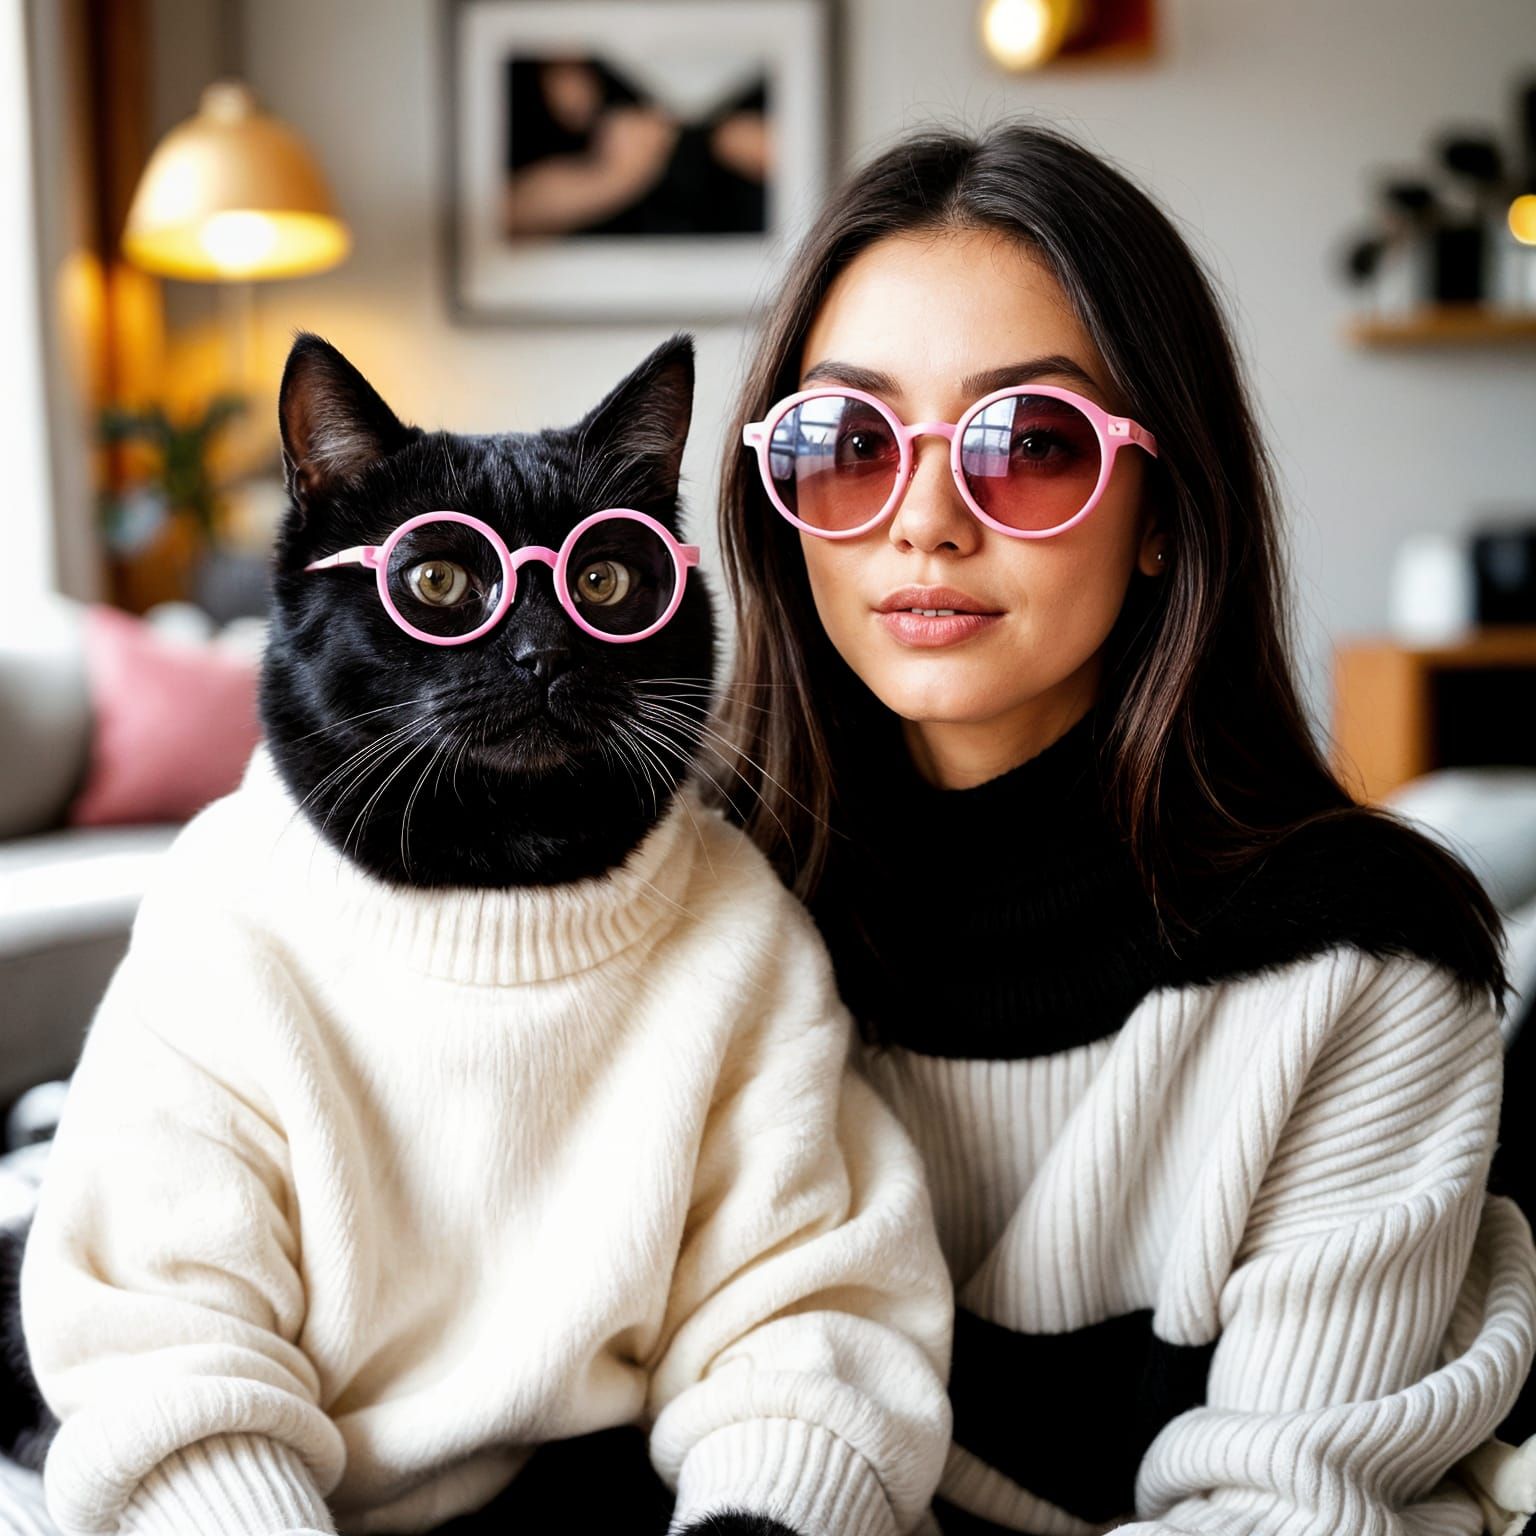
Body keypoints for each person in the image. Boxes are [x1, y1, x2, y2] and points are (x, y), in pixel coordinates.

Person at [710, 120, 1536, 1535]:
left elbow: (1284, 1510)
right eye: (845, 442)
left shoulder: (1365, 968)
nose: (923, 521)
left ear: (1164, 507)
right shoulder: (688, 912)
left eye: (1028, 444)